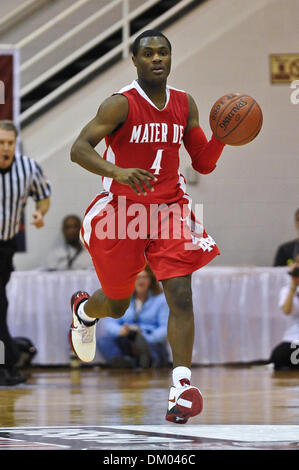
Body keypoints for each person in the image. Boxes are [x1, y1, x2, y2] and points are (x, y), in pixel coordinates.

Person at [69, 29, 226, 424]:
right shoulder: (119, 105)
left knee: (181, 292)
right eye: (149, 53)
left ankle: (181, 387)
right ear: (135, 60)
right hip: (121, 212)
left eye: (163, 53)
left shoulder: (184, 103)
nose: (157, 58)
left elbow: (202, 163)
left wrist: (222, 137)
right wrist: (117, 170)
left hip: (169, 208)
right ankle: (86, 311)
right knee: (118, 303)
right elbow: (79, 149)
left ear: (171, 59)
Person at [0, 120, 51, 386]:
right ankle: (8, 364)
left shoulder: (27, 168)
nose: (5, 148)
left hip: (5, 247)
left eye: (9, 143)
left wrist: (39, 213)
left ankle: (7, 364)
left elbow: (44, 195)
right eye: (1, 143)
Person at [97, 264, 169, 369]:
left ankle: (144, 360)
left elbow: (165, 328)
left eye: (144, 277)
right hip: (126, 339)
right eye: (138, 278)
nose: (141, 281)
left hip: (150, 341)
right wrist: (120, 331)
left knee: (154, 350)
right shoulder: (123, 298)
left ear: (151, 280)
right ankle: (131, 362)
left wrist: (145, 337)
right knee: (103, 341)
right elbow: (110, 323)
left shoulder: (161, 299)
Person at [269, 256, 299, 370]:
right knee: (279, 356)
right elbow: (287, 310)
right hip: (294, 339)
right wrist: (293, 286)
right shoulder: (287, 290)